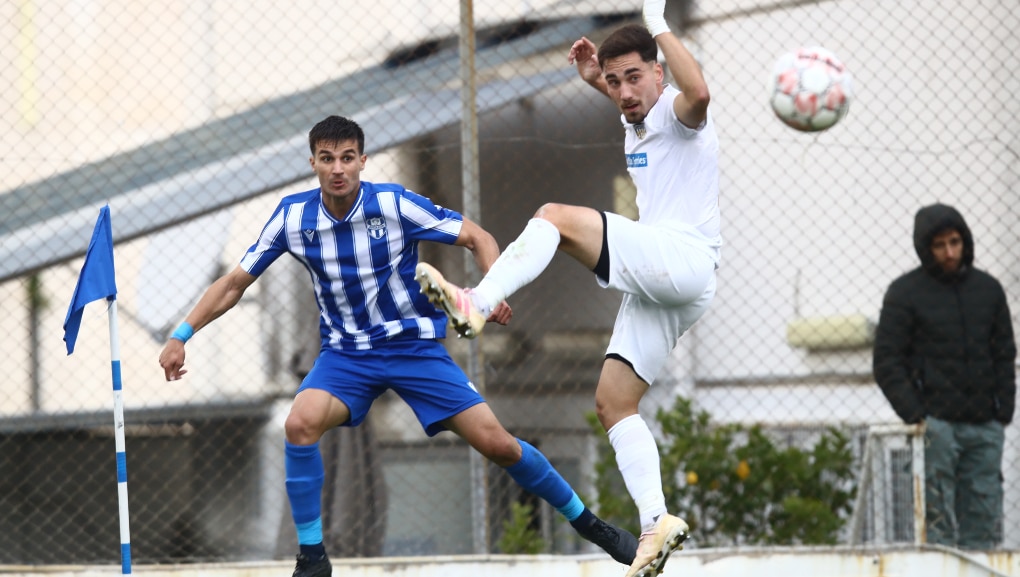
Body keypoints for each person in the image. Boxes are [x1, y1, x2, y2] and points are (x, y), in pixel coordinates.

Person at [158, 115, 638, 577]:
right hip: (346, 356)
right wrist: (182, 334)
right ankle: (312, 558)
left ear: (363, 161)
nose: (338, 168)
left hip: (415, 349)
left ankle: (588, 523)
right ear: (313, 164)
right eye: (327, 158)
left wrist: (492, 293)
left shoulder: (393, 204)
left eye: (348, 157)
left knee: (499, 445)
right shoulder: (292, 217)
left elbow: (477, 236)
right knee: (299, 424)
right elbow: (235, 283)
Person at [414, 1, 719, 575]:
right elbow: (634, 107)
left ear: (659, 72)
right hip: (671, 282)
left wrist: (657, 21)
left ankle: (475, 303)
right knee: (614, 402)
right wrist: (599, 82)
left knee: (554, 216)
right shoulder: (637, 118)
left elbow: (697, 94)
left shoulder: (680, 113)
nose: (625, 90)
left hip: (683, 260)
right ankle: (657, 522)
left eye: (636, 76)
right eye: (615, 80)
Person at [873, 203, 1015, 549]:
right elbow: (887, 361)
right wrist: (917, 414)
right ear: (926, 248)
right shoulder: (904, 294)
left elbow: (1004, 354)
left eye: (955, 242)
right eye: (940, 245)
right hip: (936, 426)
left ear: (965, 241)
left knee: (983, 518)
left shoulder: (988, 290)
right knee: (935, 527)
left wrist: (1003, 412)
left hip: (984, 425)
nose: (950, 253)